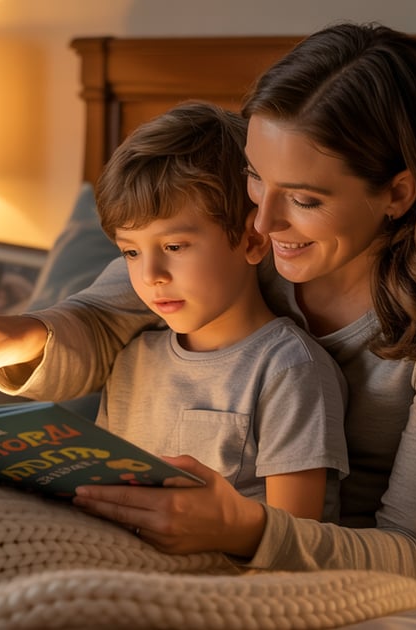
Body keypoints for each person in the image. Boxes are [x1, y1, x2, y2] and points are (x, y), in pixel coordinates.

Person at [0, 22, 416, 591]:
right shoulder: (235, 232)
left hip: (296, 557)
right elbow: (103, 316)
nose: (262, 223)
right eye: (254, 176)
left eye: (303, 199)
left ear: (398, 193)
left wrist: (248, 530)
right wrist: (23, 335)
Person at [78, 101, 346, 518]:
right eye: (130, 252)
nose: (152, 275)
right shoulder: (132, 361)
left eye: (174, 247)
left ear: (253, 241)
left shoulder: (289, 369)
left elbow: (294, 540)